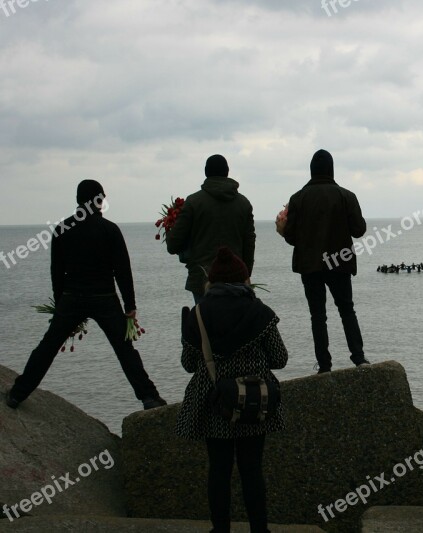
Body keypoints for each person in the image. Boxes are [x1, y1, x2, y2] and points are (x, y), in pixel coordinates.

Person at [6, 180, 166, 410]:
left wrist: (60, 303)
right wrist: (130, 306)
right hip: (104, 297)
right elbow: (123, 271)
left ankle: (17, 394)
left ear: (78, 200)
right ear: (99, 200)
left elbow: (57, 271)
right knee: (124, 349)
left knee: (48, 347)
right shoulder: (110, 230)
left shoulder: (62, 229)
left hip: (71, 296)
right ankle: (149, 397)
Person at [175, 246, 288, 533]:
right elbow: (279, 359)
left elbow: (189, 364)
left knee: (219, 470)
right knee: (252, 469)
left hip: (214, 403)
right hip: (254, 401)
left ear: (211, 281)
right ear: (244, 279)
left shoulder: (198, 314)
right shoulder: (260, 312)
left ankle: (220, 529)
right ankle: (260, 529)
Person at [281, 149, 369, 373]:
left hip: (310, 266)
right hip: (339, 262)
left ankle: (324, 365)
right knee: (347, 310)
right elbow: (359, 230)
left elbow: (290, 236)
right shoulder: (346, 196)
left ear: (311, 171)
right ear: (331, 170)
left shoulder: (297, 198)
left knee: (317, 316)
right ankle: (359, 358)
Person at [167, 154, 256, 304]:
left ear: (206, 173)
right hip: (236, 281)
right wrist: (245, 274)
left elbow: (173, 245)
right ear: (227, 172)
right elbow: (249, 243)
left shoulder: (194, 202)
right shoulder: (243, 204)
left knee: (205, 324)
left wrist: (169, 228)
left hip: (203, 279)